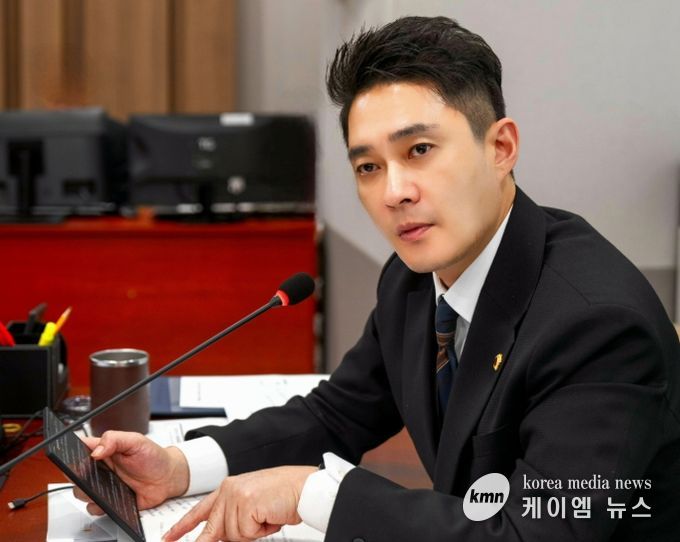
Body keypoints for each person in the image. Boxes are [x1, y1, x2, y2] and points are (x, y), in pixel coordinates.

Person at [77, 16, 680, 542]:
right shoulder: (414, 278)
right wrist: (179, 467)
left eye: (419, 150)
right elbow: (338, 414)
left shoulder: (596, 325)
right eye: (368, 166)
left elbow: (531, 534)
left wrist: (313, 493)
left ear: (501, 147)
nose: (394, 192)